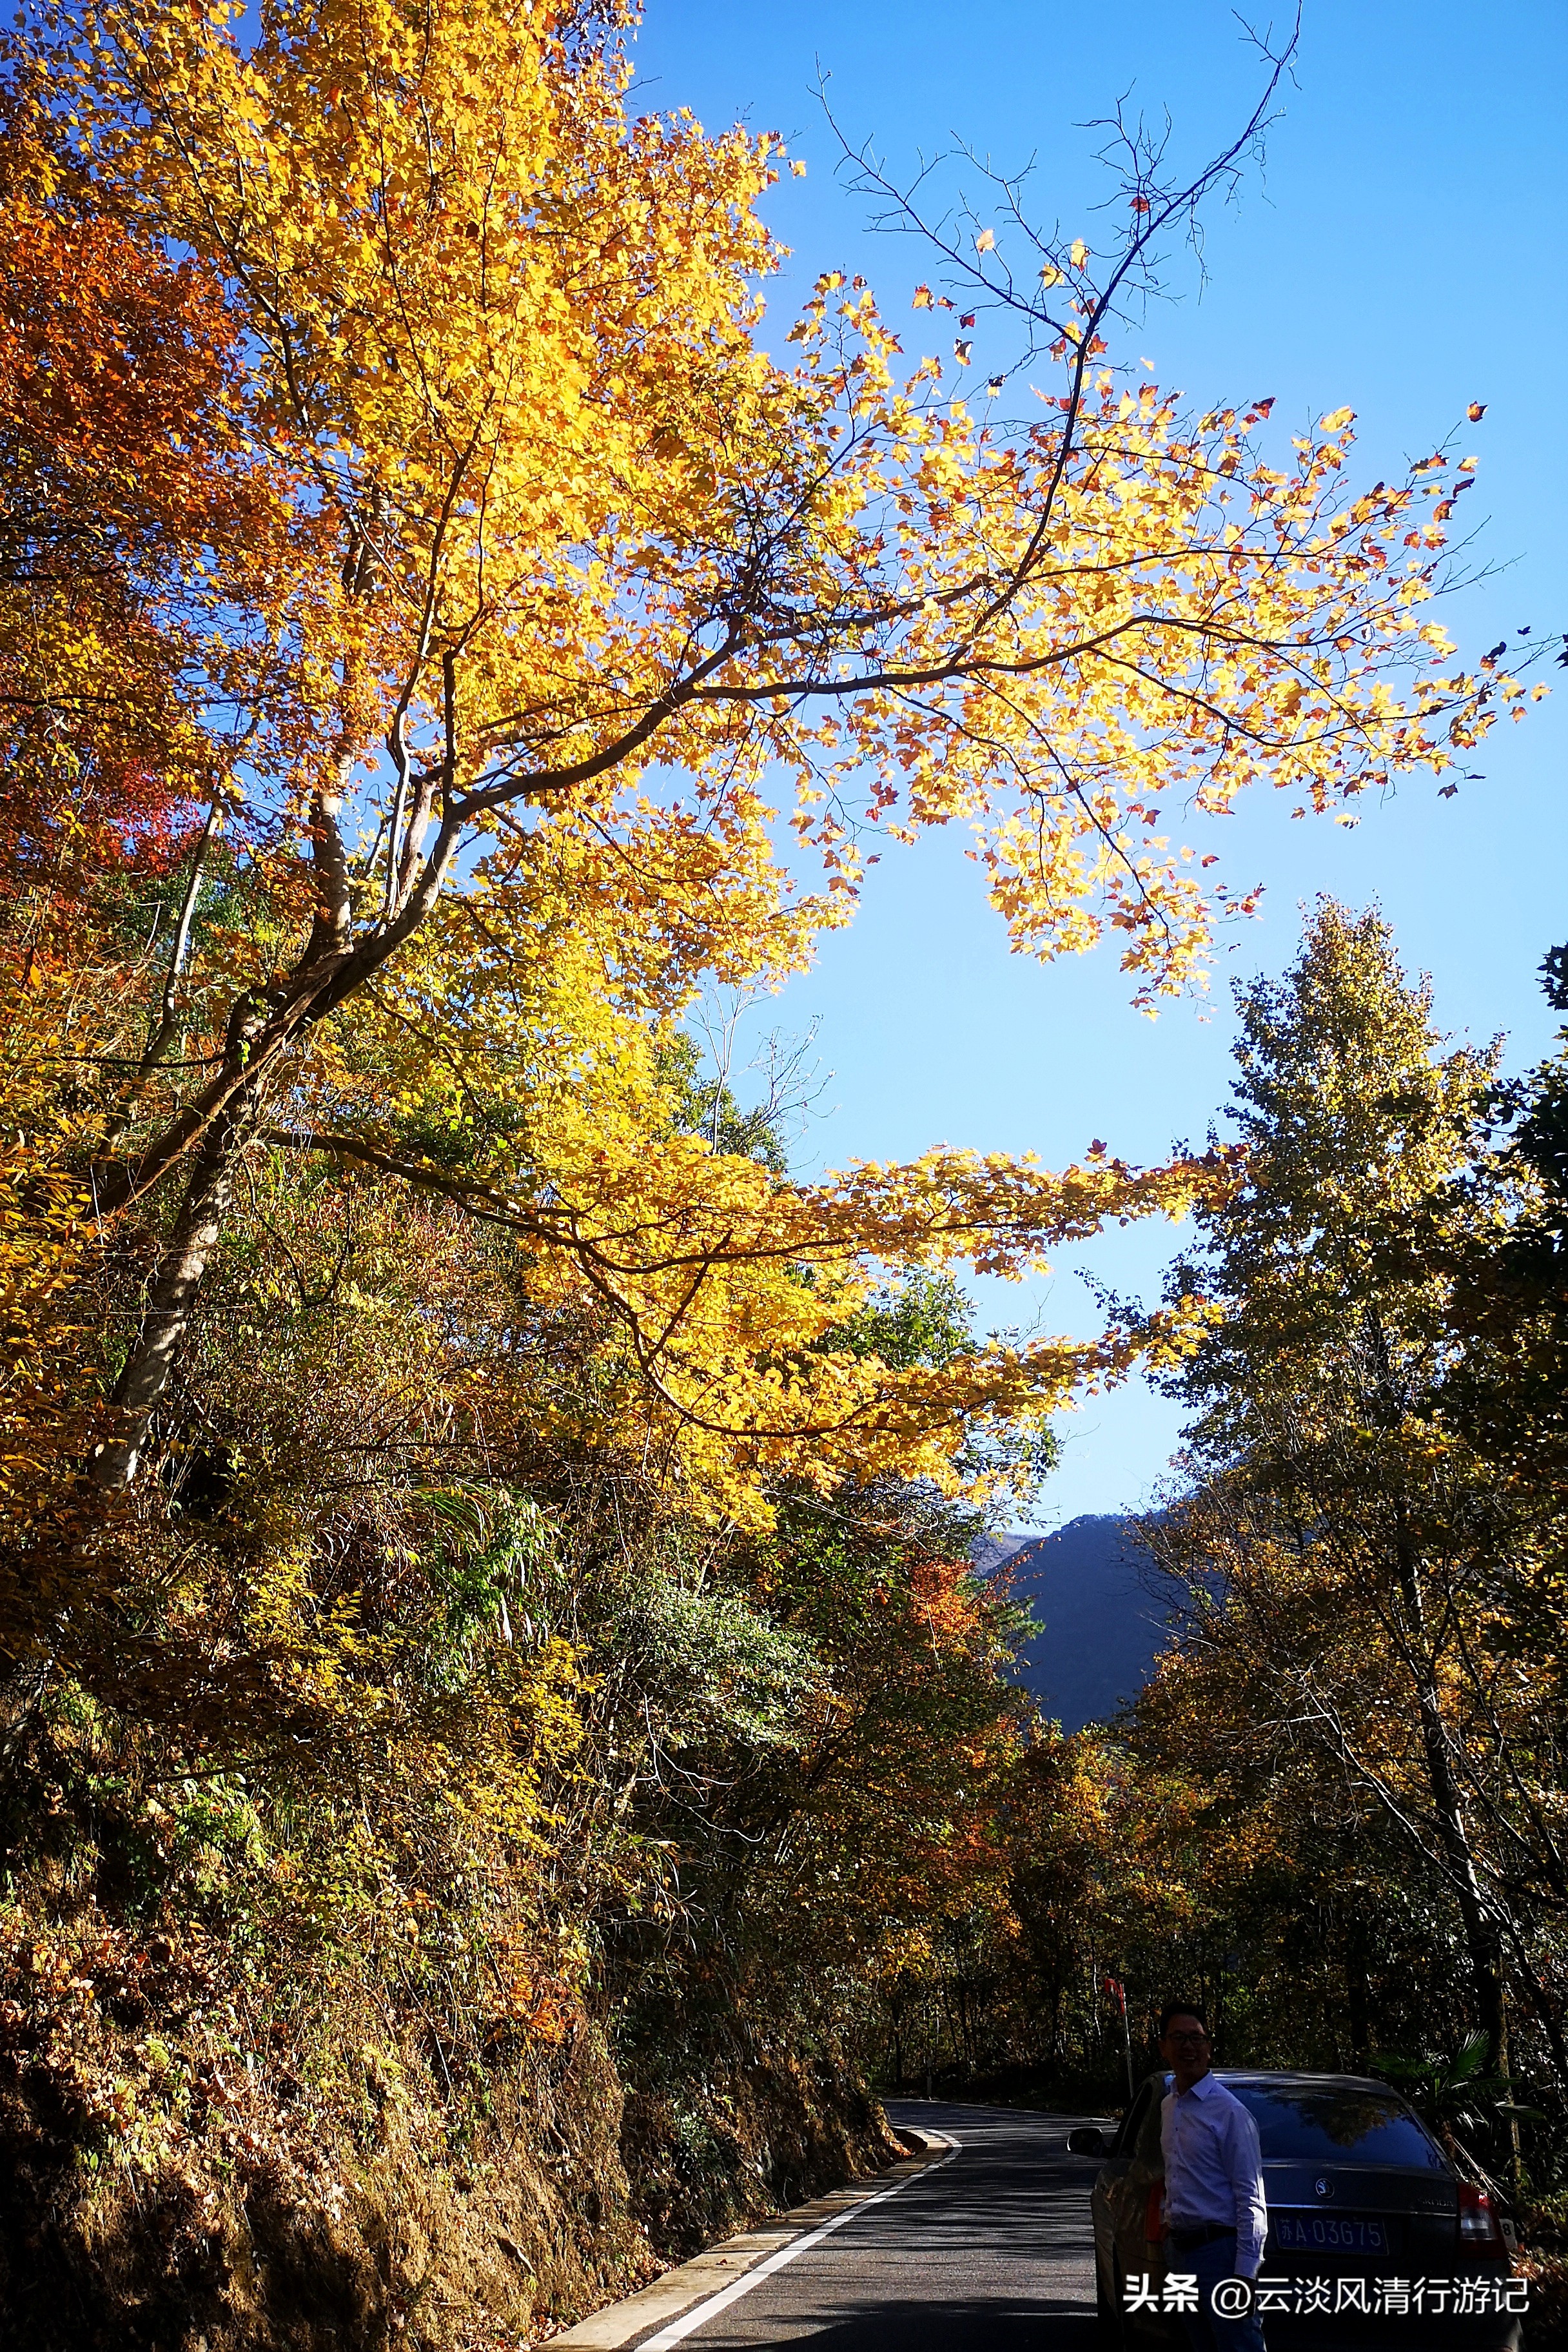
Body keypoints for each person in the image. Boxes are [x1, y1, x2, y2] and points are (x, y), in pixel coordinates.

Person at [1158, 2001, 1268, 2352]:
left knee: (1239, 2345)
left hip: (1220, 2254)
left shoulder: (1230, 2113)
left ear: (1209, 2047)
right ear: (1164, 2047)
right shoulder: (1169, 2105)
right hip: (1180, 2253)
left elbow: (1251, 2198)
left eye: (1197, 2038)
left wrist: (1245, 2274)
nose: (1189, 2047)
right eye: (1179, 2038)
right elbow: (1176, 2175)